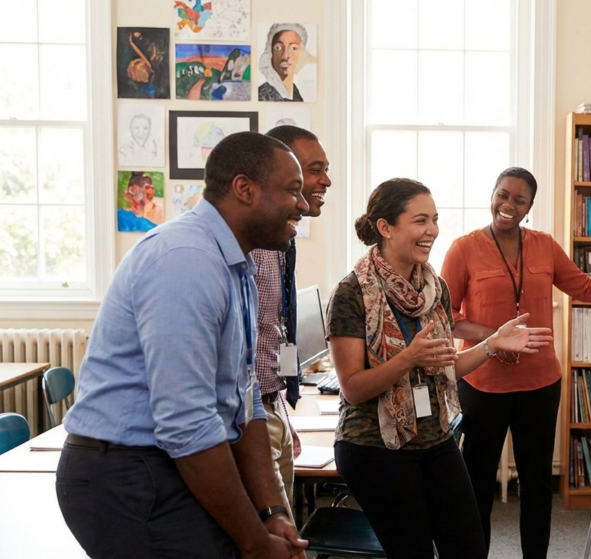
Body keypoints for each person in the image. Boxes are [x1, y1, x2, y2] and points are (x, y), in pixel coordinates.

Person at [56, 131, 310, 559]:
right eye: (293, 191)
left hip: (170, 462)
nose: (303, 206)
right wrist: (253, 544)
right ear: (244, 189)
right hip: (129, 475)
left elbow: (245, 399)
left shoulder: (235, 264)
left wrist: (272, 512)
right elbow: (186, 423)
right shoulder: (186, 259)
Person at [439, 166, 591, 557]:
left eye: (519, 200)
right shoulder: (463, 248)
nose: (508, 205)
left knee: (536, 485)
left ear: (529, 207)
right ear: (493, 194)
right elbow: (447, 316)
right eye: (503, 195)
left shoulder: (544, 245)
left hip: (539, 384)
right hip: (483, 384)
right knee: (477, 483)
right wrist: (494, 337)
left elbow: (588, 288)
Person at [326, 177, 555, 558]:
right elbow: (352, 388)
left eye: (434, 219)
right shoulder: (351, 294)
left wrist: (491, 345)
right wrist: (408, 359)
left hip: (435, 438)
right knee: (414, 551)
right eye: (420, 221)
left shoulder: (435, 288)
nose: (432, 230)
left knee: (469, 548)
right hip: (374, 447)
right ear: (385, 227)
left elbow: (447, 368)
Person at [250, 125, 333, 515]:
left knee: (283, 528)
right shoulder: (251, 247)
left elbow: (271, 332)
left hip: (270, 403)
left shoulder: (281, 238)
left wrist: (280, 414)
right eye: (315, 169)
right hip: (249, 415)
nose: (325, 180)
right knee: (269, 529)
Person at [258, 23, 311, 102]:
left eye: (293, 48)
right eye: (278, 47)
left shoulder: (297, 97)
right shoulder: (261, 95)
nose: (285, 56)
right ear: (270, 53)